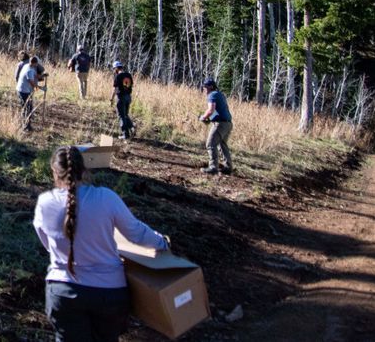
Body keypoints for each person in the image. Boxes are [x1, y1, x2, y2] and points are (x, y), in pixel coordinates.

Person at [34, 146, 169, 342]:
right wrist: (162, 242)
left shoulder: (44, 203)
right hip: (109, 295)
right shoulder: (106, 198)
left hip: (63, 291)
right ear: (85, 170)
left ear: (54, 172)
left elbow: (49, 245)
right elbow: (136, 233)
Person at [199, 78, 233, 174]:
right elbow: (219, 111)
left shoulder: (212, 95)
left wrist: (203, 117)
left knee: (210, 144)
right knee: (222, 145)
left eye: (205, 87)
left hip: (220, 124)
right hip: (228, 123)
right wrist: (209, 119)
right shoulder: (220, 94)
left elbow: (211, 110)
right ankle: (228, 167)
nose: (204, 89)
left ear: (211, 87)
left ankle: (213, 167)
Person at [109, 61, 135, 139]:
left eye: (114, 69)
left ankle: (125, 134)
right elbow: (131, 86)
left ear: (116, 68)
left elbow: (115, 89)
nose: (114, 70)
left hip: (121, 97)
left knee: (121, 116)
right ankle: (132, 127)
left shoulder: (118, 76)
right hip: (128, 97)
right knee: (126, 115)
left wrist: (111, 99)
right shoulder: (129, 75)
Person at [17, 56, 41, 126]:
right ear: (34, 63)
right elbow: (32, 82)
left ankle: (26, 124)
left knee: (28, 107)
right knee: (27, 108)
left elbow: (35, 75)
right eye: (36, 64)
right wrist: (40, 87)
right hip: (23, 91)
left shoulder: (27, 66)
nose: (37, 65)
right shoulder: (29, 70)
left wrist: (41, 76)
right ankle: (25, 125)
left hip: (24, 90)